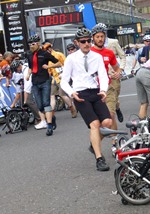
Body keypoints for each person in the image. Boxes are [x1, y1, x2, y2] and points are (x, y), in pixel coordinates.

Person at [61, 28, 112, 171]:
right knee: (95, 124)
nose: (86, 44)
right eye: (83, 41)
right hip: (80, 94)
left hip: (96, 92)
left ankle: (93, 144)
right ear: (77, 43)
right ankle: (99, 159)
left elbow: (103, 75)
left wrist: (103, 90)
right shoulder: (71, 58)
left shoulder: (97, 57)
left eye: (88, 41)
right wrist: (72, 93)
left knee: (107, 122)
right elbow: (64, 81)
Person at [90, 23, 122, 146]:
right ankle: (95, 141)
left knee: (110, 115)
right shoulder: (89, 52)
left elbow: (117, 68)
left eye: (102, 36)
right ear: (93, 38)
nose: (100, 39)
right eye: (97, 36)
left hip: (108, 87)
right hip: (92, 89)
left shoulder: (109, 52)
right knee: (99, 121)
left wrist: (118, 73)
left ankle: (115, 141)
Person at [25, 34, 61, 136]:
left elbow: (58, 63)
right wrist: (28, 74)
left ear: (38, 44)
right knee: (40, 106)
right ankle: (52, 118)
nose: (31, 46)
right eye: (30, 44)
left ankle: (49, 126)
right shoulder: (29, 55)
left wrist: (49, 66)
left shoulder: (44, 53)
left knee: (46, 103)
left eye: (33, 44)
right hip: (35, 82)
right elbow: (30, 67)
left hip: (45, 81)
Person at [42, 42, 77, 118]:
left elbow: (66, 64)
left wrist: (65, 74)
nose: (47, 51)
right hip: (54, 79)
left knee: (62, 95)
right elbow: (50, 71)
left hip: (62, 77)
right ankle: (51, 113)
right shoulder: (47, 58)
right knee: (52, 96)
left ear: (50, 48)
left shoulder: (59, 54)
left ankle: (72, 108)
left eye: (47, 49)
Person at [106, 32, 126, 122]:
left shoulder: (113, 42)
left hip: (114, 75)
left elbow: (123, 56)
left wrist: (120, 70)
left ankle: (117, 109)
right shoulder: (92, 46)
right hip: (102, 76)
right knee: (108, 100)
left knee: (115, 98)